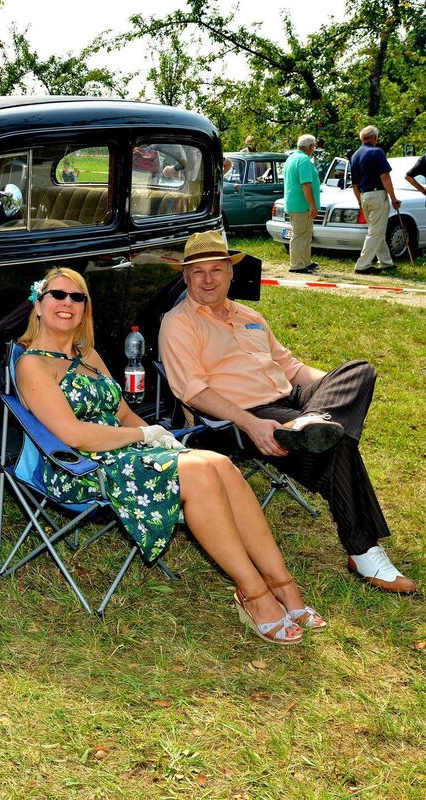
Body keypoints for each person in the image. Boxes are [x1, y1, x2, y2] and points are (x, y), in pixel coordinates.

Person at [16, 267, 321, 643]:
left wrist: (157, 436)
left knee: (220, 463)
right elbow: (73, 434)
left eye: (77, 298)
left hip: (126, 451)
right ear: (39, 305)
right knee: (200, 473)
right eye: (58, 295)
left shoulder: (88, 354)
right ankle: (254, 594)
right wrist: (142, 434)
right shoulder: (33, 363)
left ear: (84, 309)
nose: (67, 304)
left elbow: (123, 410)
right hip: (82, 467)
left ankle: (283, 584)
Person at [159, 230, 416, 594]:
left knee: (359, 371)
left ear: (231, 274)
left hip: (294, 402)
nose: (208, 279)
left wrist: (334, 390)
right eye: (198, 272)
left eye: (216, 270)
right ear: (185, 277)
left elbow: (292, 367)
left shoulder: (250, 315)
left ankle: (315, 421)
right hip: (244, 415)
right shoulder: (179, 323)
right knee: (336, 445)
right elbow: (193, 391)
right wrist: (251, 423)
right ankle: (363, 550)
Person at [349, 125, 401, 275]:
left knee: (376, 230)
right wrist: (393, 197)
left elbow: (354, 184)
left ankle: (386, 262)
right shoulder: (377, 152)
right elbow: (385, 176)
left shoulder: (355, 155)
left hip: (364, 195)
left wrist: (359, 201)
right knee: (375, 232)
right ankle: (362, 265)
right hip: (377, 194)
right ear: (374, 138)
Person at [282, 134, 321, 274]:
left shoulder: (291, 158)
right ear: (310, 146)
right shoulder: (304, 160)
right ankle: (297, 264)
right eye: (314, 147)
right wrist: (312, 205)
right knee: (300, 234)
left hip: (294, 202)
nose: (314, 149)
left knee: (306, 233)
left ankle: (305, 261)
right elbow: (306, 184)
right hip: (301, 204)